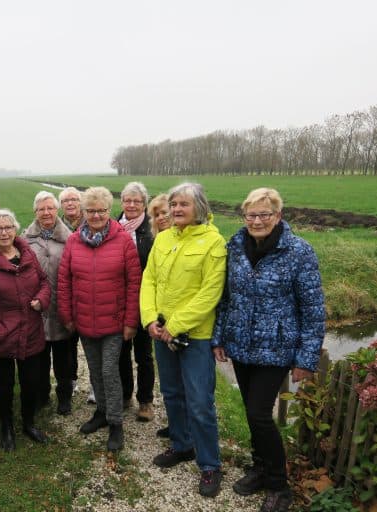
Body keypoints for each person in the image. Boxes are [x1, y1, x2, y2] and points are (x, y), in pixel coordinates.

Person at [212, 188, 325, 512]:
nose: (257, 221)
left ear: (278, 216)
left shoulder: (299, 252)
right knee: (252, 412)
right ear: (244, 216)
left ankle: (280, 485)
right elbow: (225, 298)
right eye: (251, 215)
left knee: (259, 414)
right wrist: (219, 338)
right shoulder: (235, 248)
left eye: (265, 214)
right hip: (242, 345)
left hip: (276, 348)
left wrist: (306, 358)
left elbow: (313, 308)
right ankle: (260, 468)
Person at [140, 182, 227, 497]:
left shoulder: (214, 243)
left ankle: (209, 465)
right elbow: (149, 278)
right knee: (172, 393)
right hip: (162, 332)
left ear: (199, 208)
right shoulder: (162, 239)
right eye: (173, 204)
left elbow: (209, 293)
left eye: (184, 205)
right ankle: (182, 444)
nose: (176, 209)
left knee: (200, 402)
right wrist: (150, 317)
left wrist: (174, 325)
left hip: (195, 336)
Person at [57, 187, 141, 452]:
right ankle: (102, 412)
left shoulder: (123, 240)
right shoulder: (73, 241)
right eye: (90, 211)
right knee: (94, 371)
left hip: (114, 322)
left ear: (109, 211)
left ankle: (116, 422)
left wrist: (130, 321)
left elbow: (134, 283)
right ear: (84, 212)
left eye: (101, 211)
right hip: (83, 320)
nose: (95, 215)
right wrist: (67, 315)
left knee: (109, 371)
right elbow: (64, 280)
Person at [0, 209, 51, 451]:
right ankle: (6, 427)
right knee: (3, 385)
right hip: (1, 335)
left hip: (31, 330)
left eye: (8, 227)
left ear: (15, 229)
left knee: (30, 382)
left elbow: (45, 282)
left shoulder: (27, 253)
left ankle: (28, 423)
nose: (3, 232)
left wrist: (41, 300)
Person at [23, 191, 74, 415]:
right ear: (35, 212)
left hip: (62, 307)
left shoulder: (70, 238)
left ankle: (64, 397)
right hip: (36, 309)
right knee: (39, 359)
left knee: (64, 359)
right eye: (41, 209)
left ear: (57, 210)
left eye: (50, 208)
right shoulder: (25, 240)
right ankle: (41, 395)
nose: (46, 212)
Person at [117, 182, 156, 422]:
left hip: (144, 301)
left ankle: (145, 401)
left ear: (144, 204)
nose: (131, 205)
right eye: (127, 201)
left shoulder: (152, 230)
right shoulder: (113, 226)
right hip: (118, 301)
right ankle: (124, 395)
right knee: (121, 351)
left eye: (137, 201)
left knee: (143, 354)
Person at [147, 192, 174, 439]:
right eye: (157, 214)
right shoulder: (160, 241)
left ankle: (187, 433)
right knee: (169, 384)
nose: (162, 217)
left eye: (165, 212)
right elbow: (151, 280)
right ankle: (176, 425)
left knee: (188, 386)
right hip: (161, 320)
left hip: (183, 324)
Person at [58, 186, 83, 399]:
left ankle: (97, 385)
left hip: (87, 289)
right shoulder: (57, 226)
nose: (70, 203)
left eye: (74, 199)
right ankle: (71, 379)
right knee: (68, 341)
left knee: (94, 341)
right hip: (67, 290)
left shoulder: (91, 223)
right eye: (66, 201)